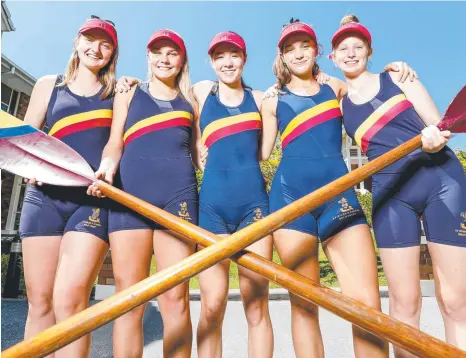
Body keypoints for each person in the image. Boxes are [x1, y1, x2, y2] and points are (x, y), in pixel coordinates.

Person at [260, 19, 416, 357]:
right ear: (282, 57)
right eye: (290, 48)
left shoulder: (337, 89)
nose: (298, 53)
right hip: (289, 201)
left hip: (339, 196)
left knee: (367, 305)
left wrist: (393, 69)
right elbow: (258, 152)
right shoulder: (271, 101)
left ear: (317, 50)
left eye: (304, 45)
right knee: (304, 305)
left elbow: (370, 89)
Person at [331, 14, 466, 357]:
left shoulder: (397, 77)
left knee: (454, 300)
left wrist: (436, 136)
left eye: (357, 46)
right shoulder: (337, 98)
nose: (350, 53)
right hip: (391, 195)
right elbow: (300, 84)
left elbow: (439, 124)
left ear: (369, 52)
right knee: (404, 304)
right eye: (342, 48)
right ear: (331, 57)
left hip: (441, 181)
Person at [87, 29, 199, 358]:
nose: (164, 59)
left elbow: (200, 149)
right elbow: (114, 141)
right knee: (129, 300)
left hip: (178, 198)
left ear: (181, 61)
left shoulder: (192, 100)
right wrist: (106, 166)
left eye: (172, 53)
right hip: (128, 199)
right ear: (148, 56)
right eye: (157, 52)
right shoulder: (129, 92)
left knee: (175, 299)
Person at [19, 15, 118, 357]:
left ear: (112, 54)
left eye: (105, 44)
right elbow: (26, 138)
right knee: (40, 302)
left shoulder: (118, 92)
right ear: (77, 43)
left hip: (90, 201)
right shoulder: (50, 85)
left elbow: (114, 145)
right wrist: (31, 165)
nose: (96, 48)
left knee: (70, 300)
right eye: (90, 40)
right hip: (43, 198)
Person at [192, 31, 274, 358]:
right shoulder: (200, 91)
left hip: (254, 207)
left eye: (234, 55)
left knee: (256, 306)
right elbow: (160, 89)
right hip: (211, 209)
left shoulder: (261, 100)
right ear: (211, 62)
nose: (227, 62)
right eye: (220, 56)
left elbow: (265, 154)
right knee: (212, 305)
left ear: (244, 58)